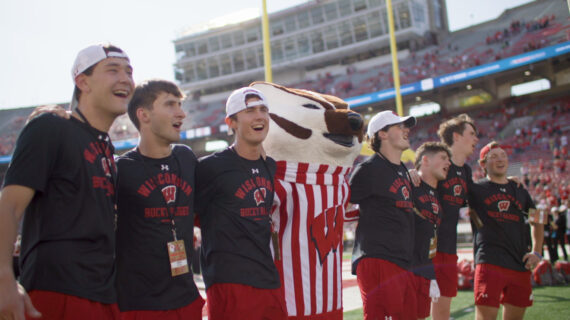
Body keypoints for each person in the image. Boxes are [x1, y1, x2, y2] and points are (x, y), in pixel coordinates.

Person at [0, 43, 133, 319]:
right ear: (82, 81)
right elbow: (8, 207)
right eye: (113, 70)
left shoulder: (106, 147)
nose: (125, 78)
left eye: (129, 71)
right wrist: (4, 280)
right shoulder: (50, 126)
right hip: (59, 292)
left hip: (106, 294)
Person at [194, 87, 287, 320]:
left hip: (268, 278)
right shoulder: (210, 167)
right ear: (231, 122)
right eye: (250, 110)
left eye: (263, 110)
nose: (259, 116)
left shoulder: (269, 166)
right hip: (230, 282)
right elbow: (191, 216)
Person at [115, 79, 204, 319]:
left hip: (186, 298)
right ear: (143, 114)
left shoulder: (186, 157)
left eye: (180, 104)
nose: (181, 113)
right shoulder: (121, 169)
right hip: (139, 304)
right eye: (170, 105)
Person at [349, 110, 418, 320]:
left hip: (402, 260)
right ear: (382, 134)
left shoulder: (403, 170)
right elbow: (342, 205)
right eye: (399, 126)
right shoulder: (368, 169)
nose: (406, 130)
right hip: (378, 258)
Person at [469, 141, 543, 320]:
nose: (500, 159)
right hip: (489, 262)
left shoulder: (519, 190)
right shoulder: (475, 189)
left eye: (503, 155)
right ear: (483, 164)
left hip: (519, 263)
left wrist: (537, 252)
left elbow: (538, 219)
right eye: (493, 156)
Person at [431, 114, 479, 320]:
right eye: (472, 134)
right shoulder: (436, 160)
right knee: (416, 306)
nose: (476, 138)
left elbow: (478, 199)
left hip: (448, 247)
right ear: (457, 136)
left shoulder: (466, 171)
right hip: (425, 247)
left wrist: (510, 183)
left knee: (444, 305)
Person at [410, 142, 451, 320]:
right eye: (443, 158)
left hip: (425, 267)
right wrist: (404, 174)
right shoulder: (408, 183)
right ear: (425, 160)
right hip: (405, 268)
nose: (448, 163)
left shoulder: (438, 192)